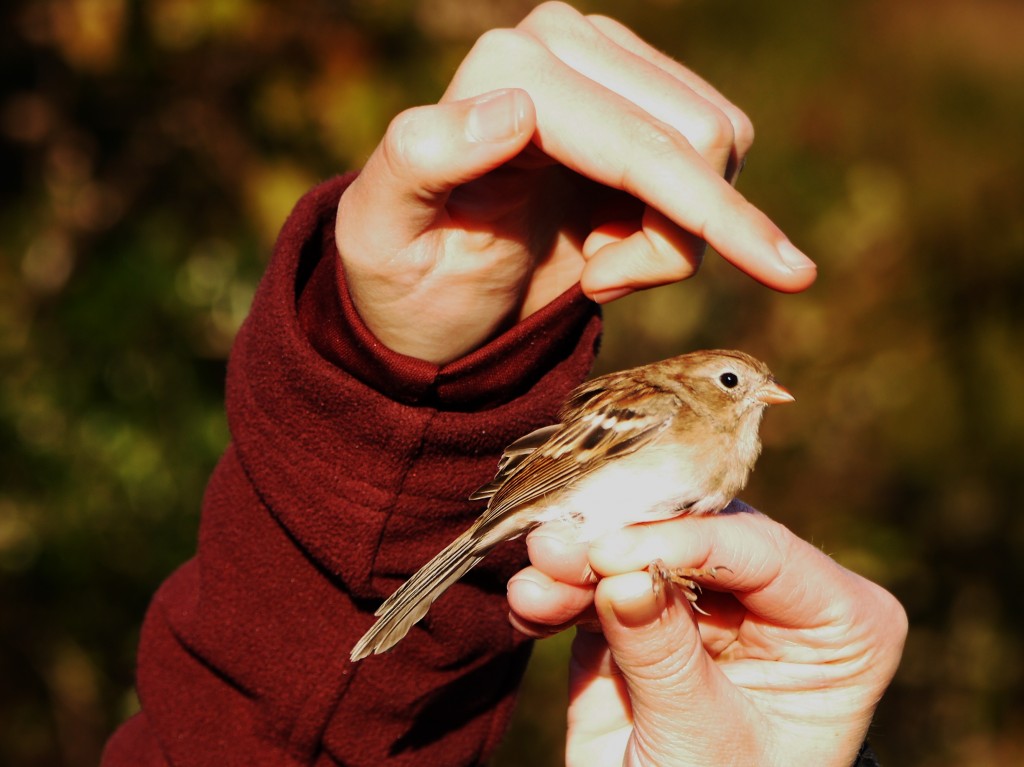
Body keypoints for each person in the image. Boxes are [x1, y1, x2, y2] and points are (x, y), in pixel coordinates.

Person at [101, 3, 905, 765]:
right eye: (734, 380)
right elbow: (568, 463)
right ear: (701, 383)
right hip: (542, 496)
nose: (752, 395)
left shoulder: (708, 437)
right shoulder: (668, 409)